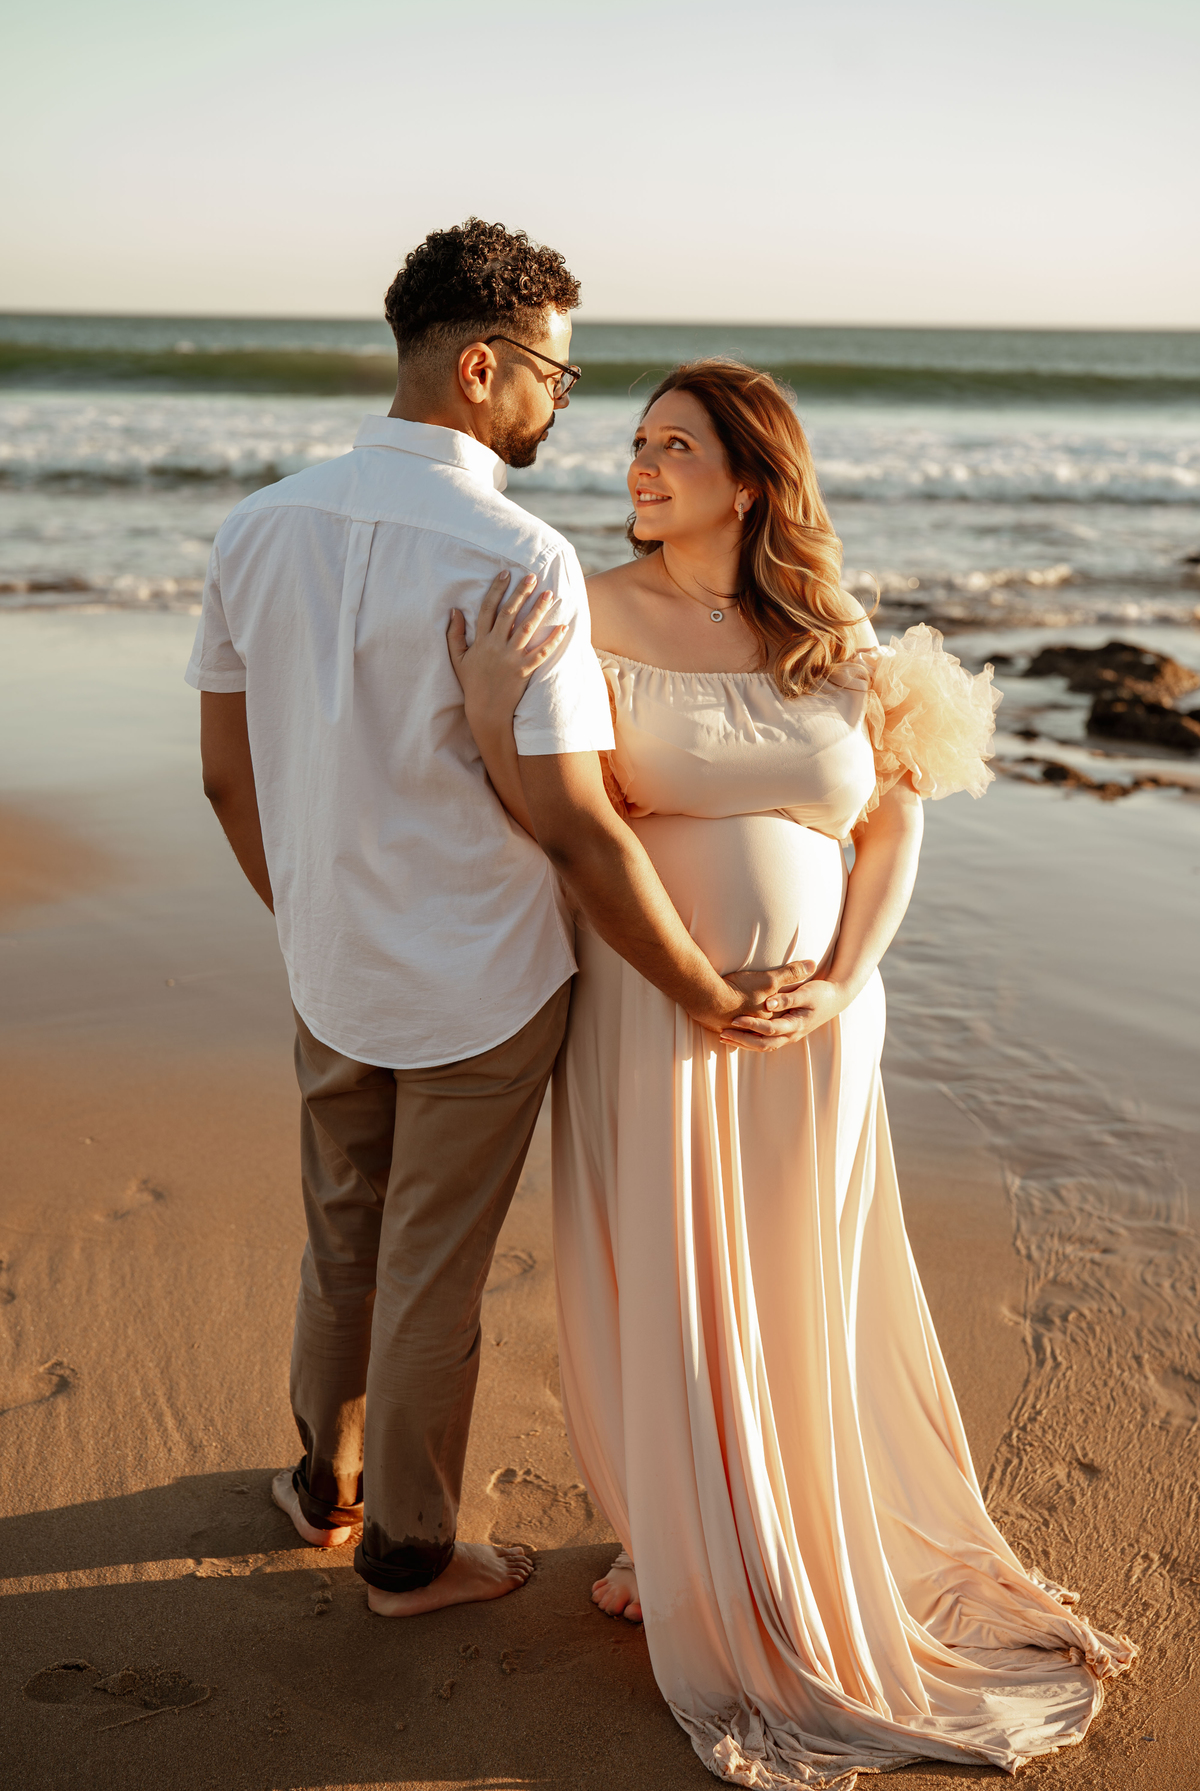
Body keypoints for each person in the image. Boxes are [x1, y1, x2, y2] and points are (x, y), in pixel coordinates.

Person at [451, 359, 1136, 1782]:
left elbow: (891, 829)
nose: (639, 466)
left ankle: (792, 1521)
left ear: (752, 478)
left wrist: (846, 973)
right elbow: (560, 815)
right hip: (660, 1011)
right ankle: (698, 1542)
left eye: (674, 447)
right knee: (682, 1271)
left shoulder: (832, 631)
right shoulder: (584, 609)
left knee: (795, 1272)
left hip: (823, 1027)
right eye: (635, 442)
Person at [187, 225, 796, 1618]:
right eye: (555, 380)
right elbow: (577, 824)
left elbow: (228, 778)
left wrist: (312, 919)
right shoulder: (518, 559)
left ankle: (318, 1484)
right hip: (480, 979)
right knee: (430, 1269)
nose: (560, 408)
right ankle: (407, 1550)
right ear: (481, 368)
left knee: (344, 1227)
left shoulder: (258, 523)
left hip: (329, 959)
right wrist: (703, 985)